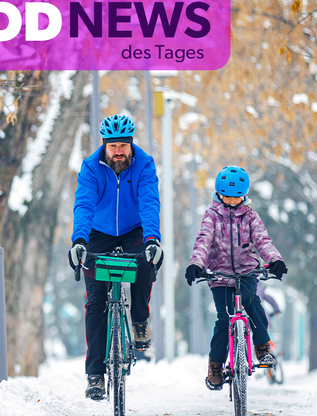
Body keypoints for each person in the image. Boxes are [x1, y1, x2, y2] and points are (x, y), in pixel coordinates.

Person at [68, 114, 163, 400]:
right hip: (98, 234)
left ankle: (138, 320)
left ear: (132, 145)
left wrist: (152, 239)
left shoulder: (144, 165)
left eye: (123, 145)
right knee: (96, 302)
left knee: (145, 262)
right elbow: (83, 204)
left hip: (135, 232)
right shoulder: (90, 167)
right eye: (113, 146)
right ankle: (95, 375)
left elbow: (149, 201)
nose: (118, 152)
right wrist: (79, 241)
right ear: (104, 146)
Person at [184, 165, 288, 390]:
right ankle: (215, 367)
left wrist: (274, 259)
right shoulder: (211, 215)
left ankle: (262, 348)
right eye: (227, 197)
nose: (232, 201)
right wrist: (196, 264)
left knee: (254, 305)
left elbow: (262, 240)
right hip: (219, 275)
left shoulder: (251, 216)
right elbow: (203, 240)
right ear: (219, 194)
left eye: (236, 197)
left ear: (244, 195)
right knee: (224, 319)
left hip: (247, 272)